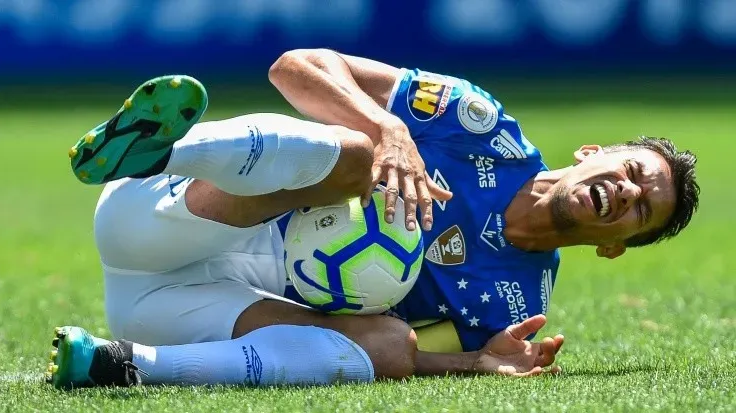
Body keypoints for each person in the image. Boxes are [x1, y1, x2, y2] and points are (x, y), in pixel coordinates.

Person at [46, 49, 699, 389]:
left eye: (641, 208)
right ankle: (157, 150)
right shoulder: (477, 123)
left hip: (177, 310)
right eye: (632, 170)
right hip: (158, 211)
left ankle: (122, 363)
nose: (625, 190)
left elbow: (406, 354)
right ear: (596, 153)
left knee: (388, 345)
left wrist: (478, 363)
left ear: (617, 246)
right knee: (360, 155)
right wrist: (389, 130)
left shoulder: (514, 305)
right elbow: (296, 67)